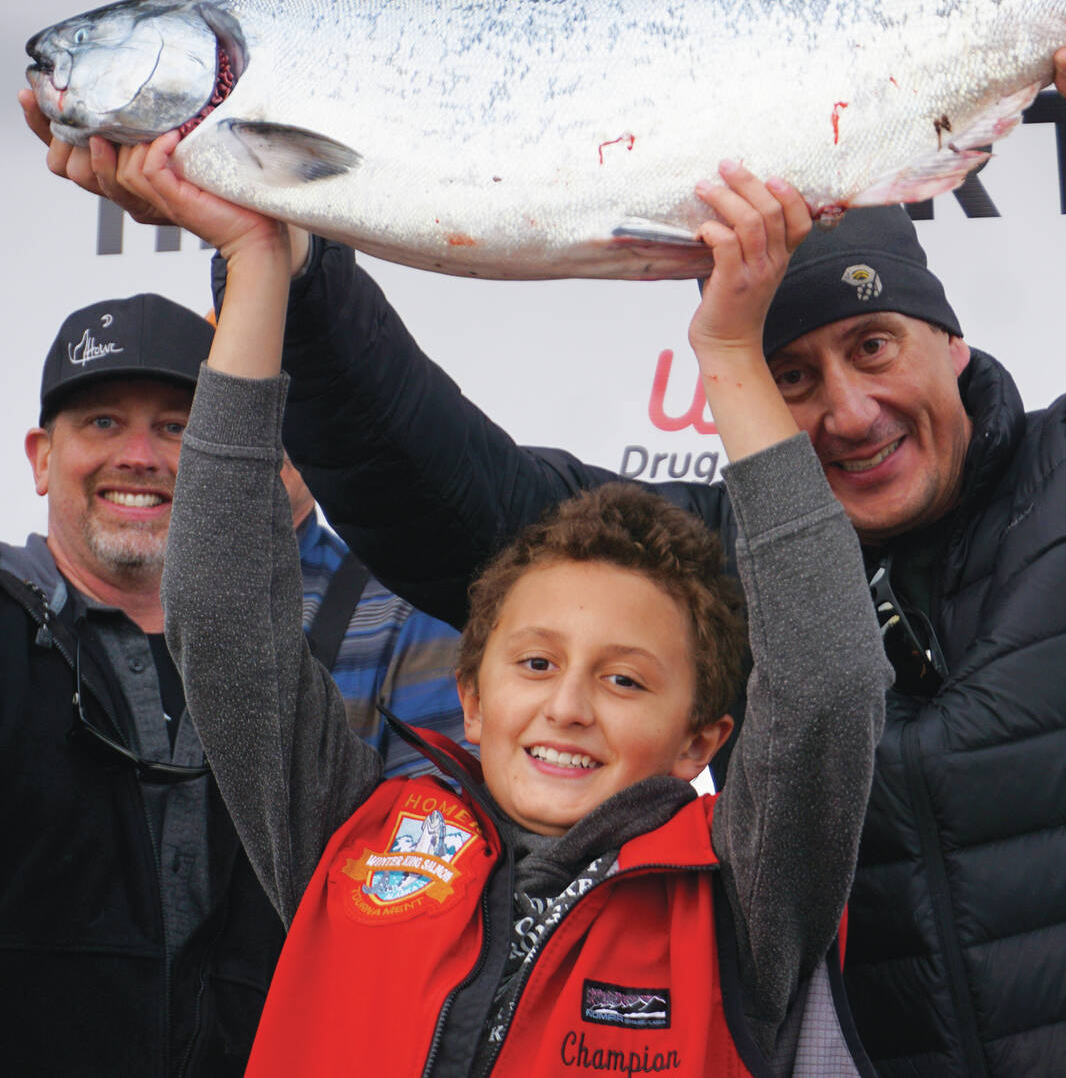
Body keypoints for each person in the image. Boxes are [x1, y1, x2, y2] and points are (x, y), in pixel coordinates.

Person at [27, 0, 1066, 1076]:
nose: (848, 408)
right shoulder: (706, 573)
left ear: (953, 343)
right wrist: (276, 243)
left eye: (873, 350)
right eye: (789, 373)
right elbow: (425, 495)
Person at [141, 148, 890, 1074]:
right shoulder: (344, 831)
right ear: (470, 694)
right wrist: (258, 268)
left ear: (703, 738)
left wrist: (732, 353)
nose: (567, 704)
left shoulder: (745, 897)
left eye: (624, 678)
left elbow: (828, 680)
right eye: (535, 663)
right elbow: (221, 621)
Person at [0, 289, 479, 1076]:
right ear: (42, 456)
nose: (140, 456)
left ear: (230, 458)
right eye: (102, 421)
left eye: (178, 427)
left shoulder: (340, 643)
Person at [282, 451, 468, 778]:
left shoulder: (410, 610)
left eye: (281, 406)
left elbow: (435, 819)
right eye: (179, 426)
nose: (249, 428)